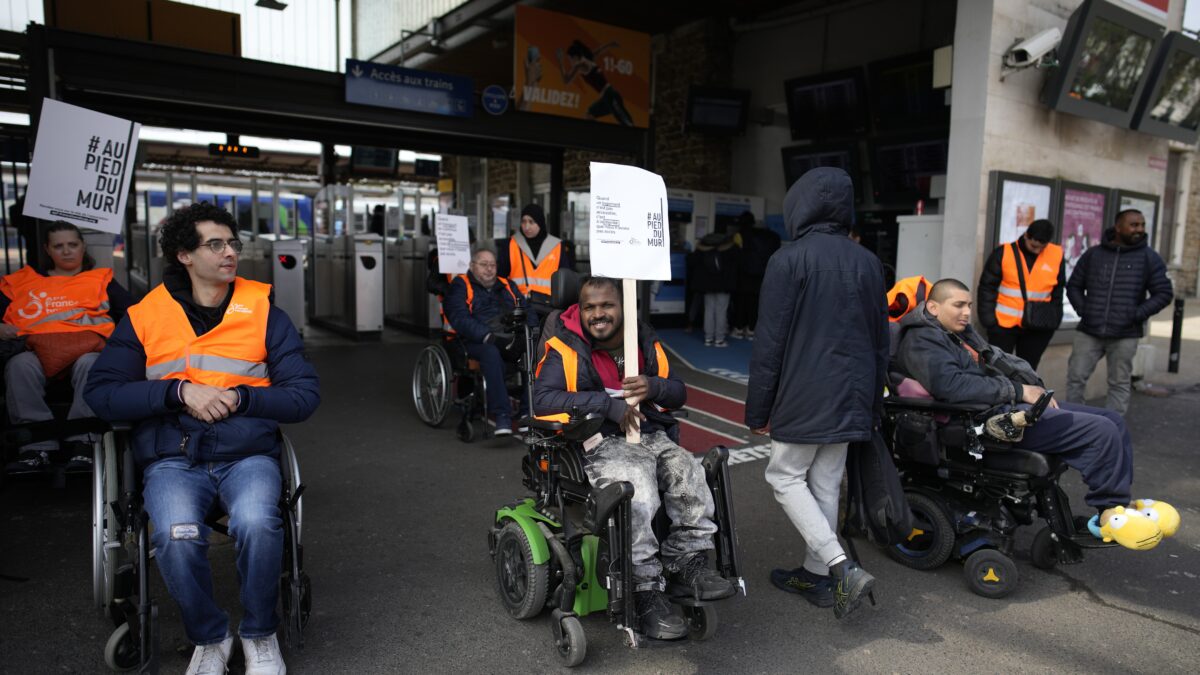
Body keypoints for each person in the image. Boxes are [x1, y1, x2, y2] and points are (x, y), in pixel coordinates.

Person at [84, 202, 320, 675]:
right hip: (173, 457)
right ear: (184, 255)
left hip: (247, 453)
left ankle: (260, 633)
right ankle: (210, 636)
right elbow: (102, 393)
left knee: (257, 523)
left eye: (233, 243)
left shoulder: (265, 314)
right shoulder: (145, 316)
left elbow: (303, 396)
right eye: (216, 244)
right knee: (176, 534)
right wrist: (177, 392)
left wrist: (241, 397)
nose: (230, 252)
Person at [892, 278, 1167, 550]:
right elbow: (951, 387)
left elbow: (991, 366)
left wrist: (1029, 389)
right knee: (1101, 431)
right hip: (979, 422)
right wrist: (1020, 390)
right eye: (958, 305)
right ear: (933, 307)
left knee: (1113, 420)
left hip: (1001, 406)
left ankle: (1121, 505)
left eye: (969, 305)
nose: (966, 312)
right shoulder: (922, 338)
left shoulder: (957, 333)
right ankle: (1111, 513)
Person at [533, 276, 735, 640]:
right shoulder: (563, 345)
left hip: (649, 434)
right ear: (580, 309)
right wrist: (606, 405)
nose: (598, 314)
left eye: (607, 306)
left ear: (623, 307)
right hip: (598, 440)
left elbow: (678, 392)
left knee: (689, 471)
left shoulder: (642, 339)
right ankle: (643, 589)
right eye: (590, 307)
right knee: (638, 486)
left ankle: (686, 563)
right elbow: (542, 400)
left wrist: (654, 386)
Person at [745, 167, 887, 619]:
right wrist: (873, 406)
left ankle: (839, 565)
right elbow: (881, 342)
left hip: (803, 393)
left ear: (799, 205)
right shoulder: (869, 262)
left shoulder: (788, 260)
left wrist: (758, 410)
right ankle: (816, 573)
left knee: (784, 477)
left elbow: (770, 343)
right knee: (825, 482)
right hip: (853, 394)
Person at [2, 221, 133, 473]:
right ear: (47, 249)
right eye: (58, 246)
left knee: (91, 363)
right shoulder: (21, 282)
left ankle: (85, 443)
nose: (66, 251)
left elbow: (135, 314)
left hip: (87, 352)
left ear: (83, 246)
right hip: (34, 352)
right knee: (18, 366)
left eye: (72, 244)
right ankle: (35, 446)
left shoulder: (101, 280)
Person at [1066, 209, 1174, 414]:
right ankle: (1073, 423)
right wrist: (1084, 310)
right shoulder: (1094, 254)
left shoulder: (1149, 258)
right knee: (1075, 378)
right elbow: (1074, 286)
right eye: (1134, 225)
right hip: (1089, 330)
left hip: (1125, 334)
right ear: (1118, 227)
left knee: (1119, 383)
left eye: (1142, 225)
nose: (1139, 229)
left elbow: (1164, 293)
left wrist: (1136, 314)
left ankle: (1113, 427)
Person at [443, 246, 533, 436]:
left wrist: (529, 332)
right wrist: (488, 337)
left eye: (492, 265)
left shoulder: (507, 284)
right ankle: (502, 415)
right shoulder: (461, 285)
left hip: (509, 337)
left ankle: (527, 412)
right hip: (474, 341)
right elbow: (459, 318)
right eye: (484, 264)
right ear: (472, 265)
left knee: (534, 348)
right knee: (491, 352)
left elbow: (526, 310)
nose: (489, 269)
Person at [976, 219, 1065, 370]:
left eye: (1042, 247)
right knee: (998, 370)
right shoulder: (1004, 253)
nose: (1037, 251)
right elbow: (987, 287)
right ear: (1026, 236)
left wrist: (1054, 320)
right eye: (1034, 246)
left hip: (1038, 326)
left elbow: (1058, 290)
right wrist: (989, 321)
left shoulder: (1056, 254)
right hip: (1003, 325)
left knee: (1027, 372)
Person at [497, 203, 574, 310]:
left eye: (531, 222)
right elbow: (501, 278)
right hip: (517, 305)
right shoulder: (510, 244)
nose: (527, 226)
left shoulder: (557, 246)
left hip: (549, 307)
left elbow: (566, 281)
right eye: (523, 221)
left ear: (540, 222)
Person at [556, 40, 634, 126]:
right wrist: (610, 44)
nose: (571, 63)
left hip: (610, 96)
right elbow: (600, 50)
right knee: (589, 115)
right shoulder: (589, 58)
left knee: (628, 123)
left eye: (570, 59)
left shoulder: (579, 65)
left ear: (575, 57)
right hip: (606, 98)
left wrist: (560, 61)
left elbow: (566, 80)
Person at [730, 212, 780, 340]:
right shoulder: (771, 236)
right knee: (755, 303)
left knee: (741, 303)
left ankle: (739, 329)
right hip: (761, 275)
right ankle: (751, 330)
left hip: (743, 275)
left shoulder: (740, 234)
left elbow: (735, 255)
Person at [693, 231, 739, 347]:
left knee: (709, 311)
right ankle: (719, 339)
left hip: (707, 285)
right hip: (724, 286)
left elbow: (693, 263)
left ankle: (708, 338)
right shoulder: (730, 249)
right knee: (721, 311)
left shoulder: (702, 249)